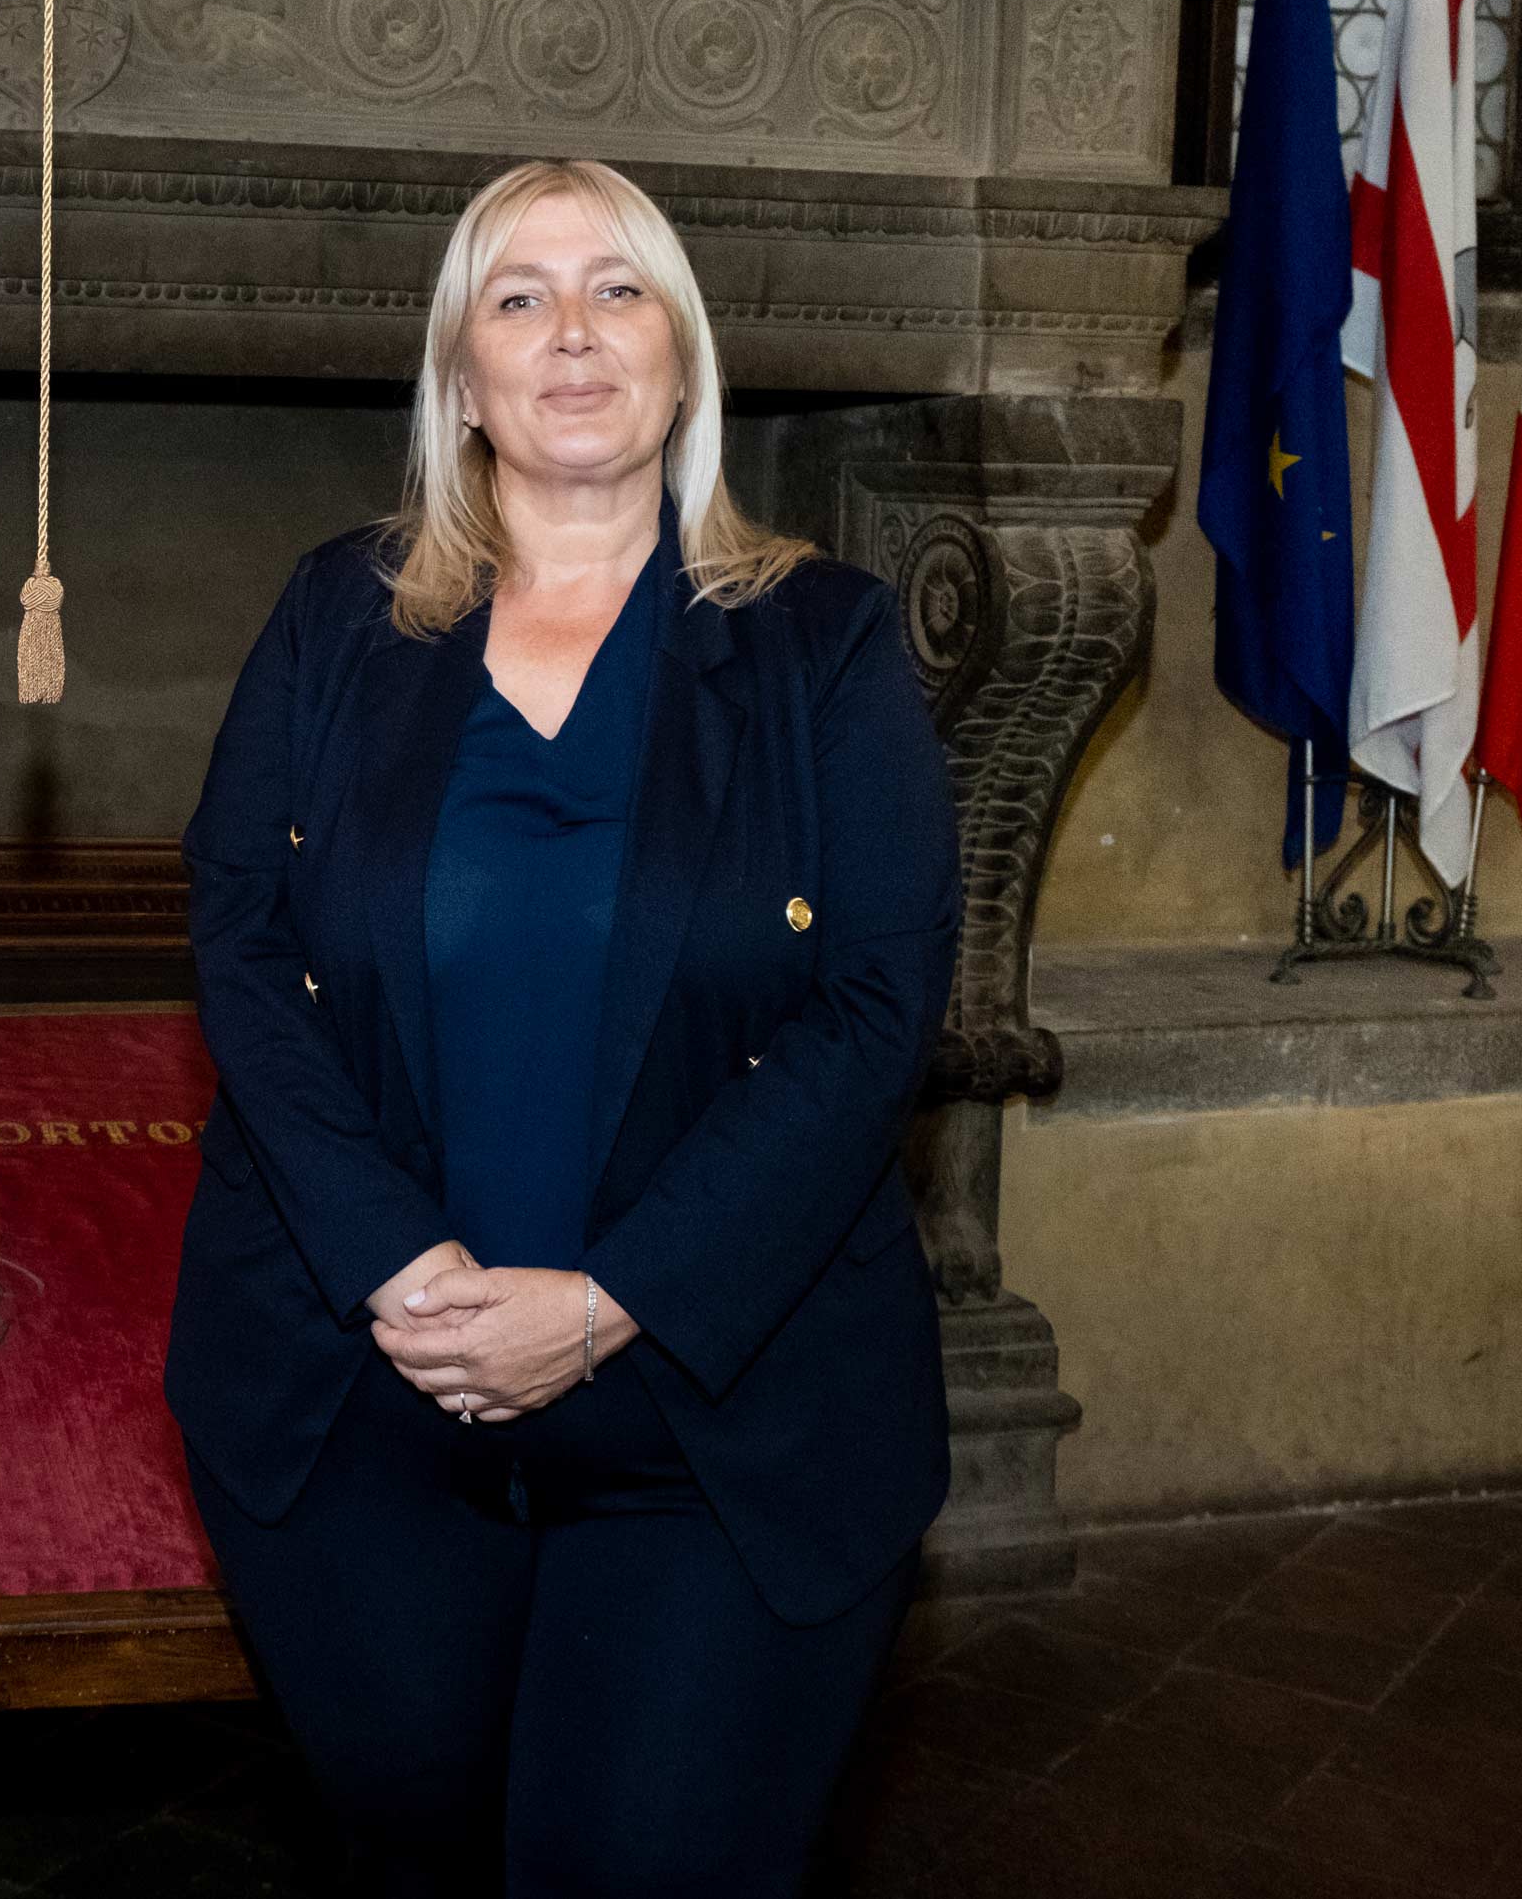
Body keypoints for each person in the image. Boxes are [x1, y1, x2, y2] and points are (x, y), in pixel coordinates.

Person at [163, 159, 960, 1897]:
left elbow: (876, 1008)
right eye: (518, 297)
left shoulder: (825, 644)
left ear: (682, 357)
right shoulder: (334, 614)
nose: (574, 332)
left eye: (620, 290)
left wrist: (608, 1303)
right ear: (463, 376)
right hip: (365, 1403)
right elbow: (241, 939)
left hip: (717, 1425)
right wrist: (390, 1260)